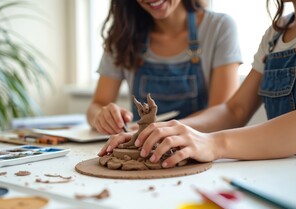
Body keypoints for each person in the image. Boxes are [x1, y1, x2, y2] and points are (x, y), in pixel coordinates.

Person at [99, 0, 296, 166]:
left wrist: (215, 144)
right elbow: (235, 110)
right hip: (285, 170)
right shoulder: (276, 32)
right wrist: (157, 132)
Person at [87, 0, 242, 134]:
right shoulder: (123, 35)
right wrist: (102, 116)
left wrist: (162, 130)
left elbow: (223, 116)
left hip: (201, 155)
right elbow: (96, 105)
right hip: (144, 152)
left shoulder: (220, 27)